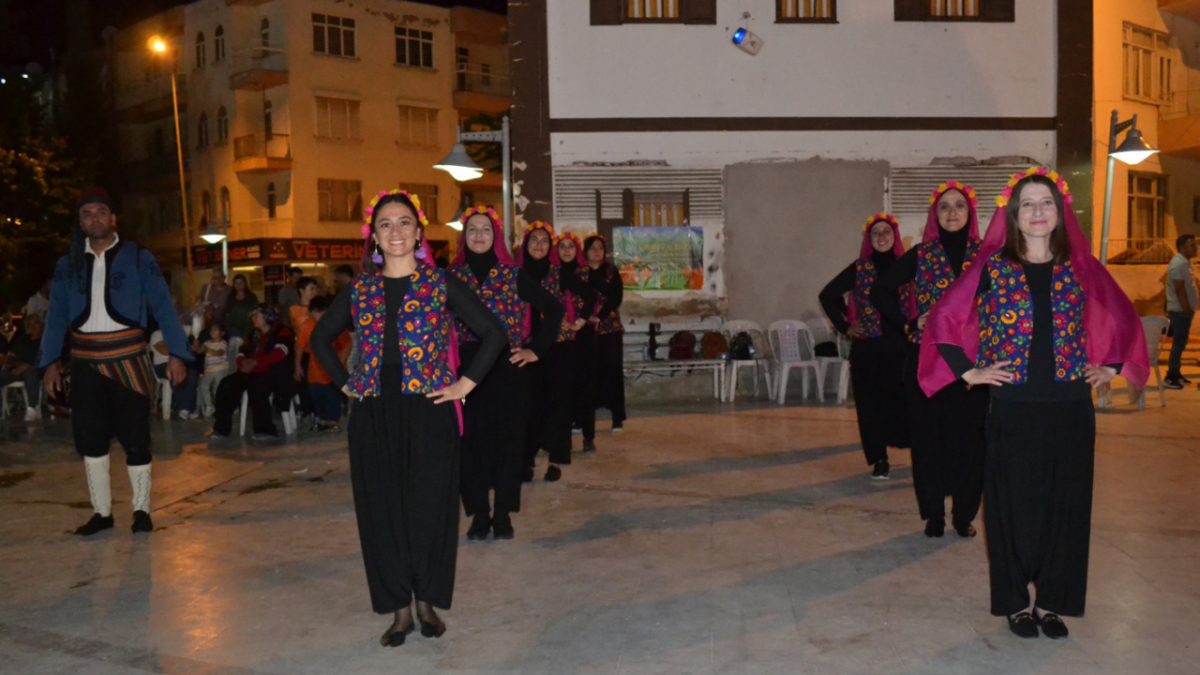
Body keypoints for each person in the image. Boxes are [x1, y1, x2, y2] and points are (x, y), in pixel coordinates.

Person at [920, 167, 1149, 639]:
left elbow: (1122, 315)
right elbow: (943, 319)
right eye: (1028, 204)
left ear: (1060, 212)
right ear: (1014, 214)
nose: (1038, 211)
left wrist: (1111, 365)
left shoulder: (1081, 267)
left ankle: (1051, 601)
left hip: (1070, 405)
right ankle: (1014, 602)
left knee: (1066, 508)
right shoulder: (993, 267)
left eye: (1047, 202)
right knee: (1013, 507)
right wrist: (969, 371)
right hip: (1015, 405)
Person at [310, 190, 505, 646]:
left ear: (418, 233)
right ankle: (399, 609)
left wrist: (465, 384)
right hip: (374, 412)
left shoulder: (440, 283)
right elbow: (320, 339)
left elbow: (494, 332)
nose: (395, 231)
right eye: (385, 224)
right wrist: (346, 383)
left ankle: (426, 604)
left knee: (431, 509)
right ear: (374, 238)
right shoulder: (360, 290)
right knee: (382, 512)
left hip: (429, 409)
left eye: (404, 223)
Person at [40, 188, 192, 536]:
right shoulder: (67, 264)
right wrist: (49, 362)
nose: (95, 219)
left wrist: (178, 354)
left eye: (101, 212)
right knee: (90, 441)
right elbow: (56, 315)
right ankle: (102, 513)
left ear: (113, 218)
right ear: (80, 222)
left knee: (136, 439)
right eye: (87, 214)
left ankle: (141, 511)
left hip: (129, 361)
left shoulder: (139, 257)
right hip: (84, 364)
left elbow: (162, 305)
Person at [872, 180, 986, 539]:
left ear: (970, 213)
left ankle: (963, 515)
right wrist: (908, 322)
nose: (952, 212)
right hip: (928, 364)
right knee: (927, 442)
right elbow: (880, 290)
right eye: (944, 207)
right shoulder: (922, 254)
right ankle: (934, 515)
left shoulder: (987, 255)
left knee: (971, 443)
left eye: (959, 206)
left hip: (973, 367)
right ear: (935, 215)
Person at [449, 206, 564, 542]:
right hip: (467, 370)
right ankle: (479, 514)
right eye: (472, 229)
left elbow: (554, 308)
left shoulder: (513, 275)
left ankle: (502, 514)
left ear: (495, 236)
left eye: (486, 229)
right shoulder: (450, 277)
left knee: (509, 444)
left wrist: (535, 350)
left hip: (508, 368)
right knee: (470, 444)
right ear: (464, 236)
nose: (479, 235)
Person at [819, 213, 914, 479]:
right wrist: (845, 326)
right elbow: (827, 295)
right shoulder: (860, 268)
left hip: (901, 349)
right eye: (875, 233)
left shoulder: (906, 265)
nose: (881, 237)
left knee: (905, 404)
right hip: (869, 350)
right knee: (871, 407)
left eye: (886, 232)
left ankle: (916, 453)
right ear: (869, 239)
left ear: (895, 236)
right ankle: (879, 459)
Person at [516, 222, 596, 483]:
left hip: (558, 348)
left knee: (558, 404)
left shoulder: (558, 272)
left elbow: (590, 295)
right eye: (534, 240)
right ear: (526, 245)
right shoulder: (515, 273)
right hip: (526, 348)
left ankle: (555, 461)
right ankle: (526, 461)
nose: (538, 245)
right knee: (528, 406)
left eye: (544, 241)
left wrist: (580, 321)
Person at [209, 304, 295, 441]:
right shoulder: (253, 334)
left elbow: (280, 352)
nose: (253, 318)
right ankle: (221, 428)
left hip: (274, 372)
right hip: (252, 370)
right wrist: (242, 363)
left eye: (257, 315)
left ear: (267, 317)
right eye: (253, 315)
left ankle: (265, 429)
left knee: (257, 386)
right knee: (226, 384)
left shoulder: (282, 331)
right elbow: (242, 351)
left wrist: (256, 362)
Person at [577, 233, 626, 446]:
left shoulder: (611, 272)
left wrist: (601, 316)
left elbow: (616, 298)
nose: (597, 251)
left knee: (613, 371)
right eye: (592, 248)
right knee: (586, 374)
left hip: (609, 327)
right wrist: (587, 317)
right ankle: (581, 419)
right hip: (585, 328)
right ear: (585, 252)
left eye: (600, 248)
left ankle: (617, 417)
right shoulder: (579, 273)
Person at [295, 295, 348, 432]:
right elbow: (300, 346)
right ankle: (324, 420)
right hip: (315, 368)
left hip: (333, 368)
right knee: (318, 393)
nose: (319, 315)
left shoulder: (334, 324)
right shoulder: (307, 326)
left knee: (332, 394)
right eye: (316, 312)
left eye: (322, 312)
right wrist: (297, 366)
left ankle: (333, 421)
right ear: (311, 312)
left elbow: (347, 344)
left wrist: (339, 363)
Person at [1164, 233, 1197, 388]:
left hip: (1184, 310)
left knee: (1181, 343)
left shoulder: (1185, 263)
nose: (1196, 248)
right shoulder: (1177, 264)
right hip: (1180, 311)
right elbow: (1179, 288)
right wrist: (1186, 309)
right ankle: (1171, 376)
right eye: (1192, 245)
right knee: (1178, 344)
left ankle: (1176, 373)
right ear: (1182, 248)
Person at [0, 313, 45, 420]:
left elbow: (41, 359)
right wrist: (13, 365)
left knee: (30, 374)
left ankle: (32, 407)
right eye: (29, 325)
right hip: (17, 367)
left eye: (35, 324)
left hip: (34, 368)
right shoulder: (22, 339)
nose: (32, 327)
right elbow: (11, 355)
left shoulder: (45, 340)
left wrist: (24, 367)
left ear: (41, 325)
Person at [151, 328, 199, 419]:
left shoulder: (175, 334)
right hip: (161, 364)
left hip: (178, 363)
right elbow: (164, 351)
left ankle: (187, 407)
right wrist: (184, 348)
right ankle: (183, 407)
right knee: (176, 372)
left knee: (192, 372)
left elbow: (191, 350)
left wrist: (194, 347)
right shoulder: (157, 334)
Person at [197, 322, 230, 417]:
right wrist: (196, 346)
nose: (212, 332)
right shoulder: (207, 343)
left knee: (218, 389)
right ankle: (209, 405)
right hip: (209, 370)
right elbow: (199, 351)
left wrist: (207, 350)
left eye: (215, 330)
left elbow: (219, 353)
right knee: (203, 386)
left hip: (220, 369)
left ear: (222, 333)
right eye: (211, 330)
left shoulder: (223, 343)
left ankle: (220, 407)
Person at [225, 274, 259, 342]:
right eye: (236, 283)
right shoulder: (231, 298)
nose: (239, 285)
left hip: (248, 326)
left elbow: (256, 310)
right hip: (234, 327)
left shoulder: (251, 297)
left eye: (241, 283)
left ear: (245, 284)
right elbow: (227, 312)